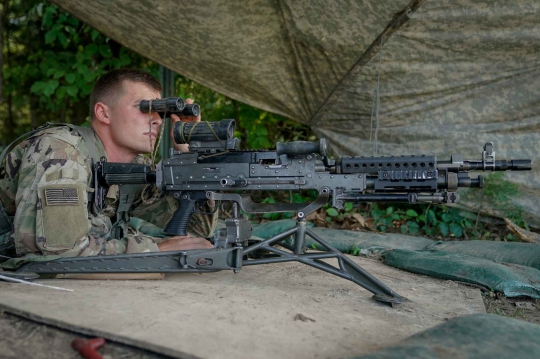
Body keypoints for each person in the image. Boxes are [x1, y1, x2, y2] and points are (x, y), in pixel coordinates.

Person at [0, 69, 216, 259]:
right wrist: (153, 250)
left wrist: (190, 155)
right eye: (144, 108)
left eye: (159, 111)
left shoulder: (134, 167)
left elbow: (196, 228)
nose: (157, 120)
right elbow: (61, 251)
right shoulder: (61, 152)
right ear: (103, 113)